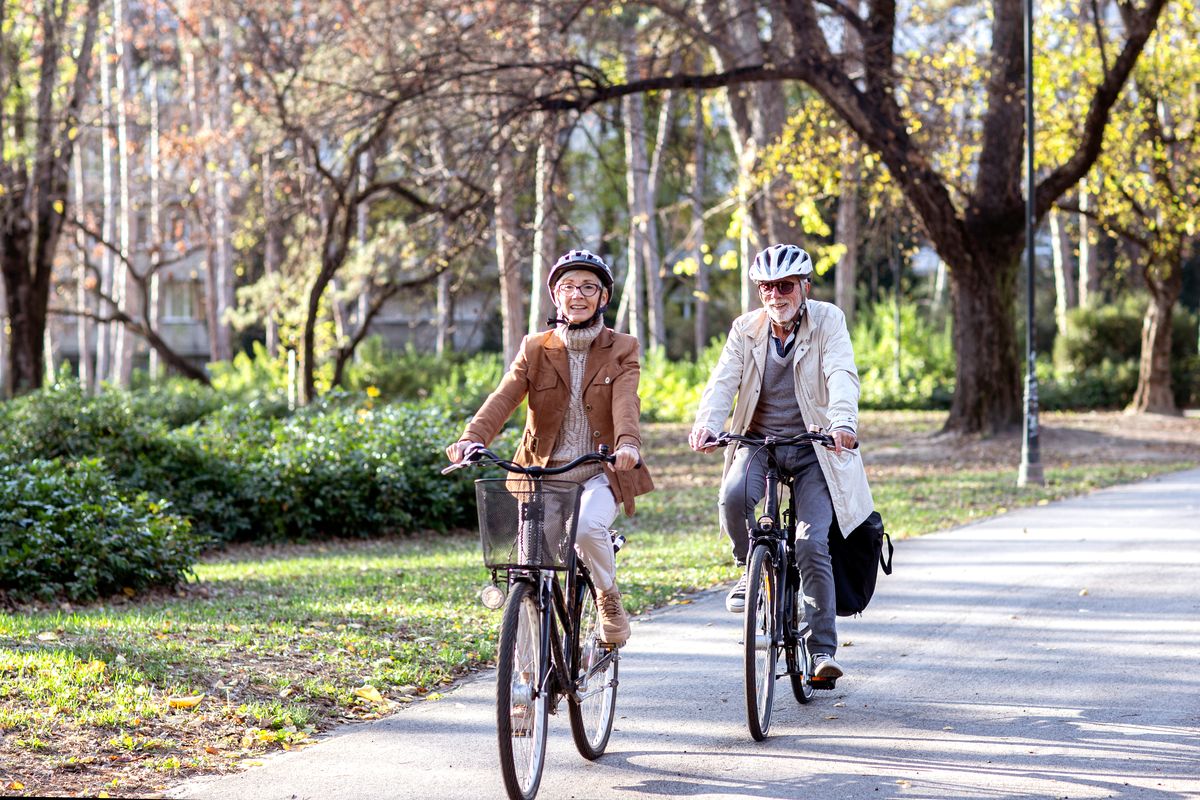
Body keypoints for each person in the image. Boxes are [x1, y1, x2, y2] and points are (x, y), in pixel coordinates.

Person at [446, 249, 654, 647]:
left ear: (603, 297)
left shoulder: (623, 347)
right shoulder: (535, 347)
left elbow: (627, 402)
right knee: (526, 571)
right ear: (555, 295)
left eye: (588, 287)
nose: (577, 295)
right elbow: (503, 397)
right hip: (540, 477)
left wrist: (628, 444)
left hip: (598, 470)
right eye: (568, 287)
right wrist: (472, 437)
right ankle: (526, 685)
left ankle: (608, 598)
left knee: (589, 528)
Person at [689, 243, 873, 680]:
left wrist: (842, 421)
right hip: (759, 443)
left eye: (785, 286)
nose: (776, 295)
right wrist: (707, 424)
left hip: (816, 448)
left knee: (812, 544)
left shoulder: (827, 320)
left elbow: (841, 372)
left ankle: (822, 652)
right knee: (734, 498)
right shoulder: (745, 329)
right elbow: (723, 381)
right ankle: (748, 569)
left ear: (804, 287)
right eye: (767, 287)